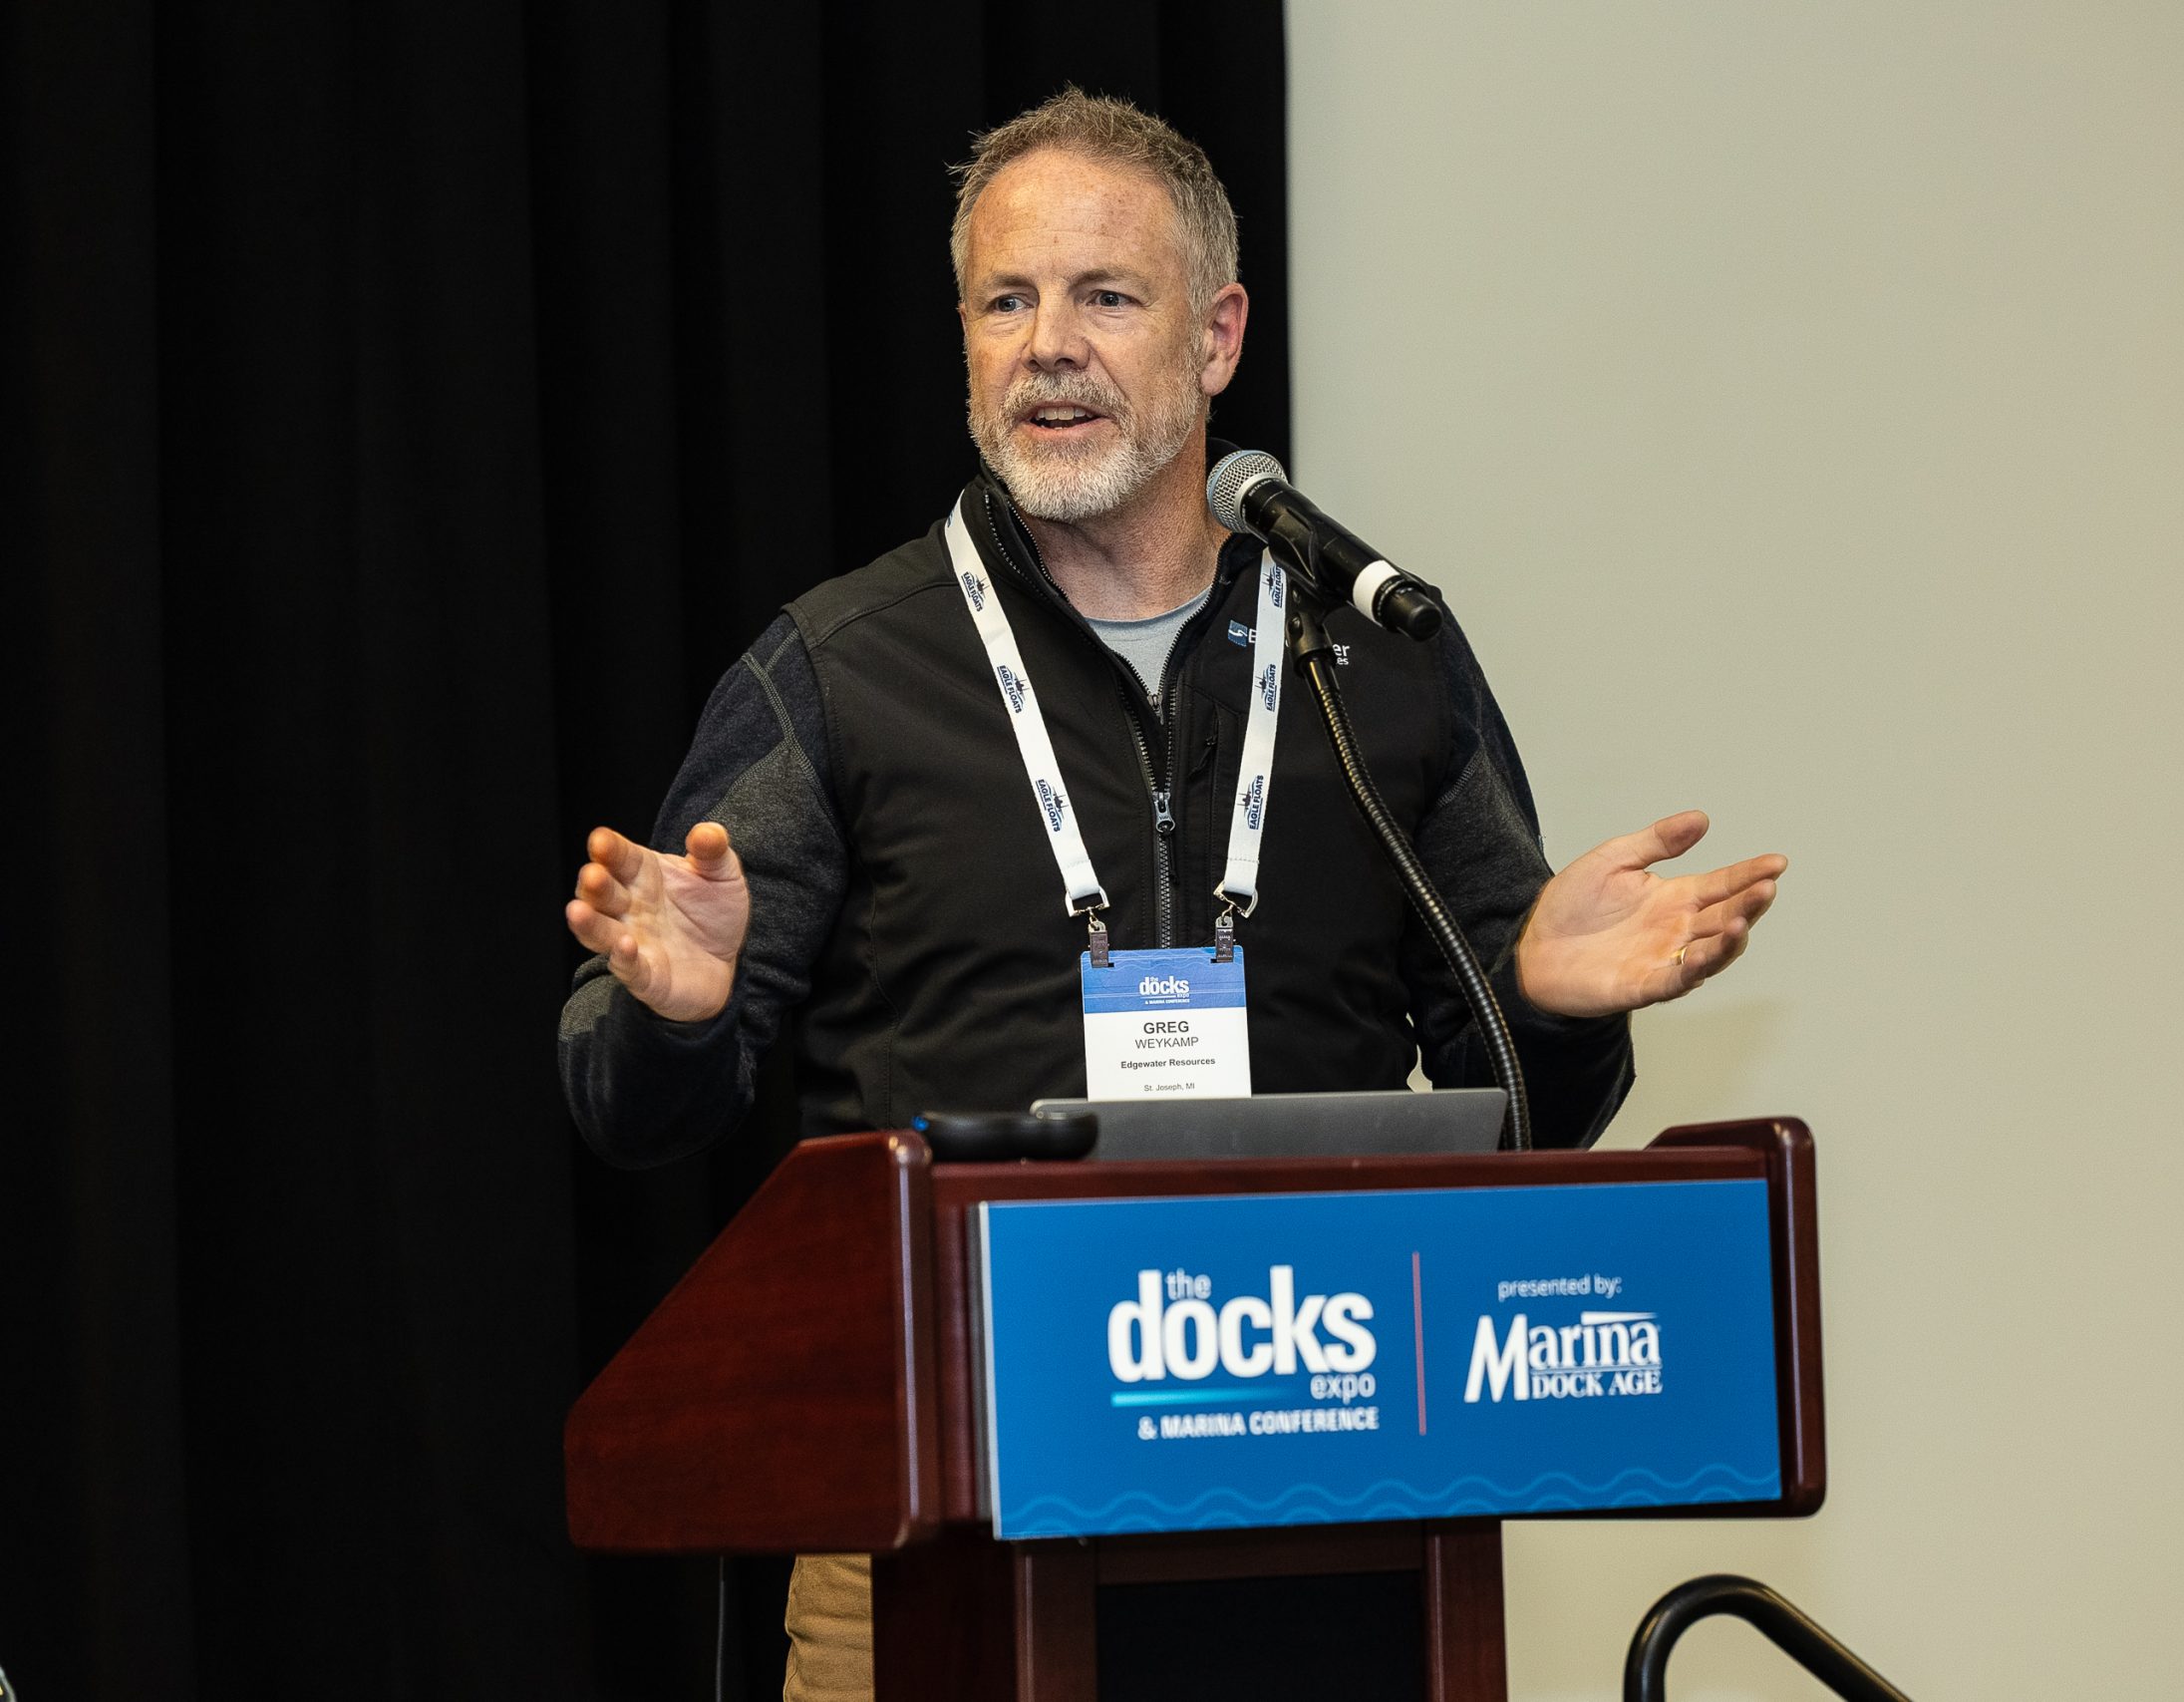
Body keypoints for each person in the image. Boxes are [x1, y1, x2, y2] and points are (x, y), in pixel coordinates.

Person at [559, 90, 1783, 1702]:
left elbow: (1522, 1128)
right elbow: (631, 1108)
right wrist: (671, 1018)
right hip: (937, 1534)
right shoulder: (843, 672)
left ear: (1217, 337)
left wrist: (1543, 1008)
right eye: (1006, 301)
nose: (1048, 346)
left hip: (1332, 1508)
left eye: (1105, 296)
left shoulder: (1377, 662)